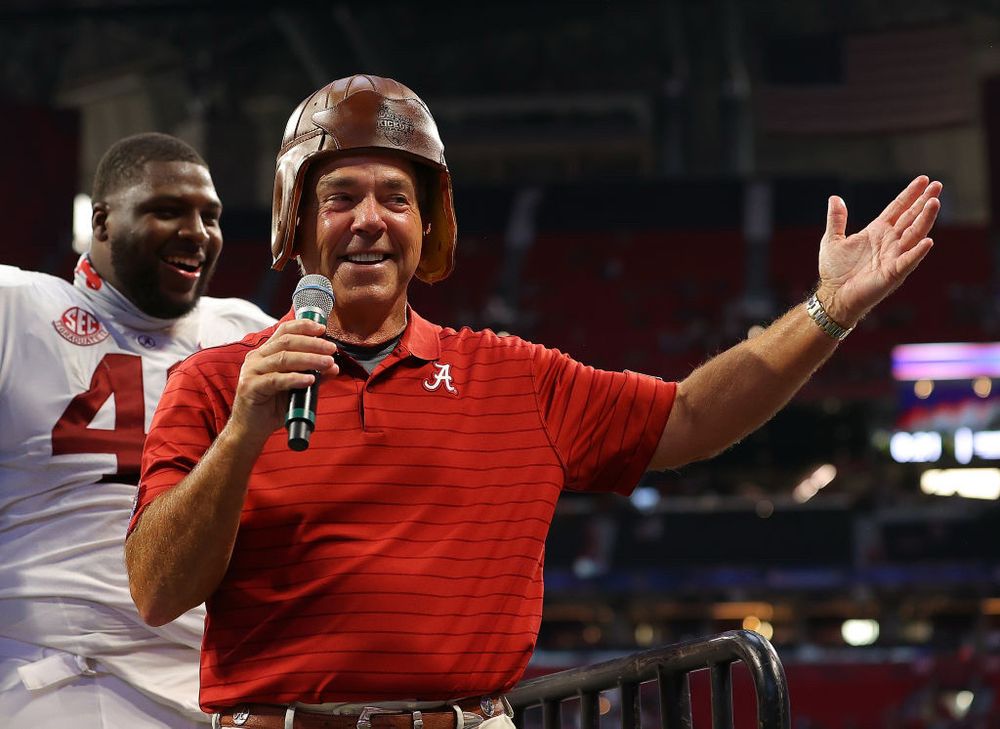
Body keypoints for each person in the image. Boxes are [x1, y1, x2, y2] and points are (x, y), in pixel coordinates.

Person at [124, 76, 942, 727]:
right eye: (340, 196)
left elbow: (690, 417)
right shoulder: (212, 383)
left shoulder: (515, 378)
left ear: (428, 228)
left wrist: (829, 309)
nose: (369, 219)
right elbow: (157, 591)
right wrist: (242, 434)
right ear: (297, 225)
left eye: (396, 198)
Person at [0, 132, 275, 727]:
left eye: (211, 216)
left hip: (222, 679)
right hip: (57, 670)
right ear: (102, 222)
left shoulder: (251, 335)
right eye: (167, 210)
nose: (197, 232)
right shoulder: (15, 307)